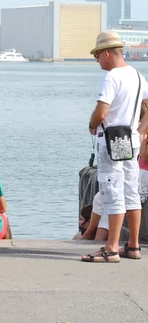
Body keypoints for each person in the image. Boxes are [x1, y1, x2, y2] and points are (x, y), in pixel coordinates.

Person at [83, 31, 148, 262]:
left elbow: (101, 112)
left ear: (107, 53)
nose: (97, 60)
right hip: (130, 140)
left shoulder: (113, 77)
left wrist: (91, 125)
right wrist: (140, 131)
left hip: (111, 140)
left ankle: (111, 248)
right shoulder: (138, 76)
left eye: (97, 56)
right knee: (131, 192)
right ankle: (133, 246)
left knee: (112, 191)